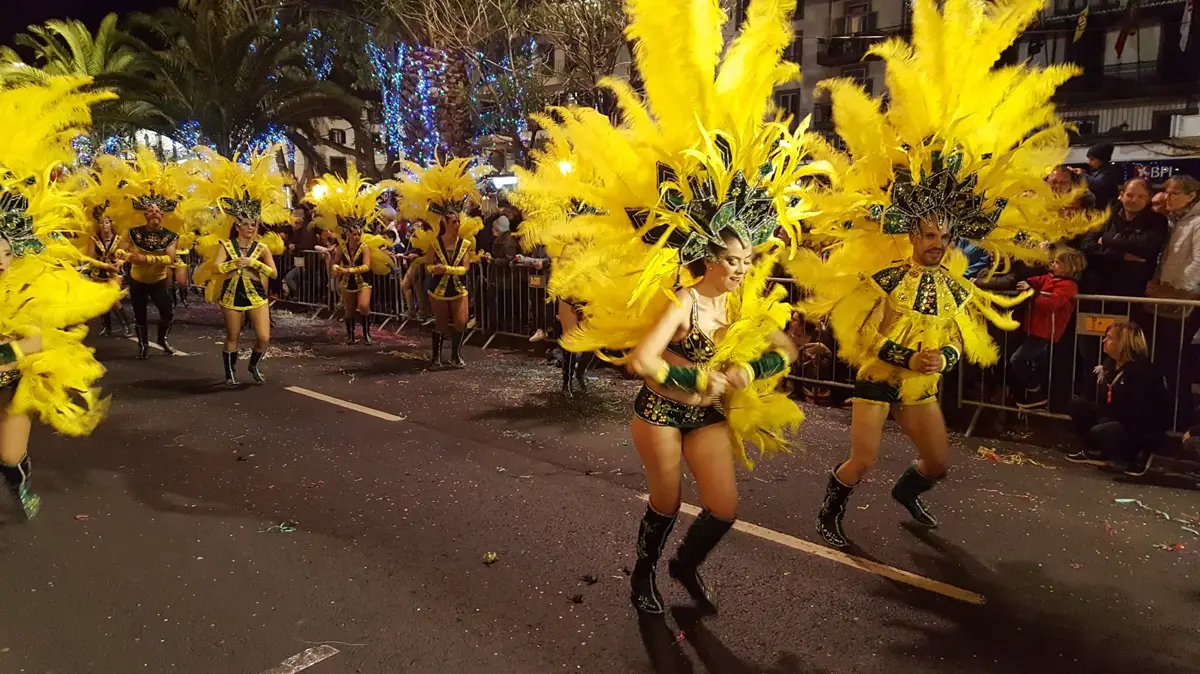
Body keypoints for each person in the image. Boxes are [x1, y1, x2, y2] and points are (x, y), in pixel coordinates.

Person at [513, 0, 811, 615]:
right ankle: (643, 574)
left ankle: (684, 565)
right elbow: (641, 362)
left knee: (725, 507)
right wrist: (700, 376)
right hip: (661, 412)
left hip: (707, 416)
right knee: (669, 500)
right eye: (734, 262)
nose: (742, 269)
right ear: (707, 260)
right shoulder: (684, 301)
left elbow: (784, 349)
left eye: (748, 261)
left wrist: (745, 372)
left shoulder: (744, 301)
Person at [789, 0, 1102, 549]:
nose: (937, 245)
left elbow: (962, 339)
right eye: (929, 236)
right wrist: (908, 357)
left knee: (937, 462)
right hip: (880, 377)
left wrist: (942, 359)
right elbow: (865, 339)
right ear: (912, 235)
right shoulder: (888, 278)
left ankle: (907, 494)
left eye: (944, 237)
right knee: (863, 457)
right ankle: (829, 512)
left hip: (921, 383)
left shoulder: (958, 282)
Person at [0, 75, 121, 520]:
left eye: (8, 249)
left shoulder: (31, 280)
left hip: (11, 380)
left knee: (10, 457)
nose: (1, 259)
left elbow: (35, 339)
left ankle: (17, 480)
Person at [187, 149, 288, 385]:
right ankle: (230, 372)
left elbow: (273, 273)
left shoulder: (262, 248)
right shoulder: (226, 245)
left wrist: (253, 263)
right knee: (233, 334)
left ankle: (254, 364)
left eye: (253, 224)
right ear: (238, 225)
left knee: (264, 337)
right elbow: (215, 269)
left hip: (256, 295)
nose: (250, 228)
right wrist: (234, 263)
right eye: (246, 224)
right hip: (232, 294)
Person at [397, 157, 489, 368]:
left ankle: (455, 355)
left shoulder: (464, 243)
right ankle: (436, 357)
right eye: (454, 221)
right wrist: (434, 269)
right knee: (440, 323)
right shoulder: (434, 244)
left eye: (459, 220)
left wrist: (446, 268)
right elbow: (428, 265)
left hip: (458, 288)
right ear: (444, 223)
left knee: (461, 322)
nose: (458, 224)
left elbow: (466, 267)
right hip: (438, 289)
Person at [308, 166, 394, 346]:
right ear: (348, 234)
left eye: (359, 233)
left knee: (363, 306)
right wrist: (335, 268)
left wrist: (347, 270)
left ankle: (366, 333)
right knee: (349, 311)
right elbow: (335, 261)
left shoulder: (365, 247)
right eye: (354, 234)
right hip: (347, 283)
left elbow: (367, 266)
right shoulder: (341, 246)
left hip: (363, 281)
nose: (357, 236)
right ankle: (350, 335)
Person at [1067, 322, 1168, 476]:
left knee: (1101, 430)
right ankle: (1097, 451)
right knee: (1077, 405)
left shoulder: (1140, 371)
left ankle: (1130, 455)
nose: (1104, 341)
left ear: (1123, 343)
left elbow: (1141, 412)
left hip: (1136, 426)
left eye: (1110, 338)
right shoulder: (1110, 366)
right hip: (1117, 415)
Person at [1141, 174, 1200, 430]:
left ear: (1191, 195)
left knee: (1174, 359)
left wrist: (1179, 290)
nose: (1168, 197)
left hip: (1184, 300)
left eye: (1174, 192)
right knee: (1165, 358)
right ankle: (1171, 413)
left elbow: (1198, 263)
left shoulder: (1196, 222)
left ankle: (1181, 415)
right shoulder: (1177, 221)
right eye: (1166, 191)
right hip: (1167, 296)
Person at [1010, 248, 1086, 408]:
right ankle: (1037, 395)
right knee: (1038, 362)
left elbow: (1051, 303)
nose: (1053, 264)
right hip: (1035, 327)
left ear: (1069, 266)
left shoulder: (1068, 286)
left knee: (1018, 359)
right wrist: (1029, 282)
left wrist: (1032, 293)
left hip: (1046, 331)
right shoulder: (1051, 278)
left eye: (1057, 262)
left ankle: (1034, 389)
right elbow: (1037, 279)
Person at [1078, 177, 1167, 298]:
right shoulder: (1106, 217)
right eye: (1130, 195)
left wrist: (1105, 239)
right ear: (1122, 195)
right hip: (1098, 286)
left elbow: (1144, 246)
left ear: (1149, 198)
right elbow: (1087, 246)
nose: (1134, 200)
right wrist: (1121, 255)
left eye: (1141, 196)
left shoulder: (1157, 221)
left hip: (1134, 290)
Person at [83, 202, 132, 337]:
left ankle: (127, 325)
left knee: (112, 297)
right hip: (99, 273)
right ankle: (108, 327)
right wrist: (105, 265)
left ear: (111, 223)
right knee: (103, 301)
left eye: (106, 222)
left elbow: (126, 255)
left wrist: (119, 262)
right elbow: (90, 259)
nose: (104, 225)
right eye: (101, 222)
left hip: (115, 273)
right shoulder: (93, 239)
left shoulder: (118, 239)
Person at [1082, 143, 1121, 209]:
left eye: (1092, 159)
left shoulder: (1109, 171)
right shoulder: (1098, 171)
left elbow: (1097, 184)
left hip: (1107, 210)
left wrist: (1081, 174)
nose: (1089, 163)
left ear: (1102, 160)